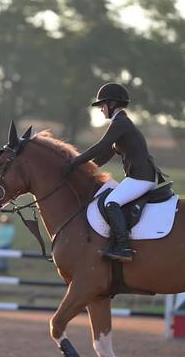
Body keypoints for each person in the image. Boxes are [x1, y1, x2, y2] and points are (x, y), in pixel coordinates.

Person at [65, 82, 166, 263]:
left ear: (112, 104)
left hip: (141, 178)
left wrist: (74, 162)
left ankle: (123, 247)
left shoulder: (121, 123)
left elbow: (99, 147)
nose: (101, 110)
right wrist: (84, 170)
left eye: (102, 105)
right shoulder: (121, 124)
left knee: (111, 202)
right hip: (142, 177)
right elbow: (103, 156)